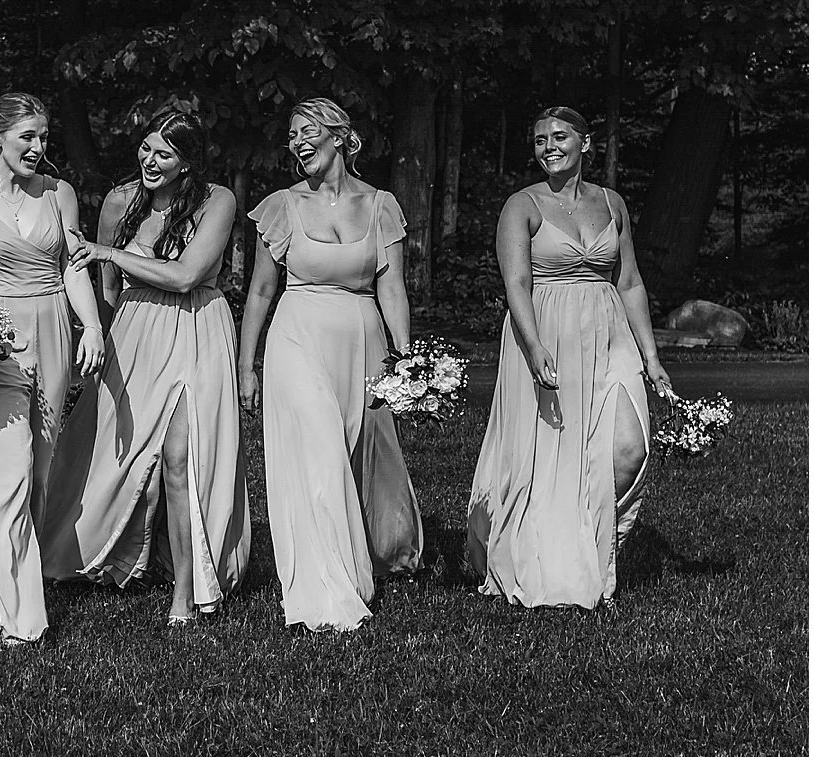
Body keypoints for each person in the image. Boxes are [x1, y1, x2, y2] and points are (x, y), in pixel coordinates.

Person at [40, 107, 249, 627]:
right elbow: (109, 293)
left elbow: (186, 275)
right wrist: (111, 335)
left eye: (165, 153)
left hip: (197, 327)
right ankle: (118, 555)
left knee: (182, 459)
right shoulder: (119, 201)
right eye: (147, 148)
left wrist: (108, 252)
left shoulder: (215, 201)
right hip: (135, 333)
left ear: (187, 160)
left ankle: (185, 589)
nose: (151, 161)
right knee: (125, 457)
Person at [464, 107, 675, 608]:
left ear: (585, 143)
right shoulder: (522, 205)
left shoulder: (612, 203)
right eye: (539, 140)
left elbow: (629, 281)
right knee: (549, 454)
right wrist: (534, 345)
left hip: (610, 333)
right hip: (545, 330)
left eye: (559, 137)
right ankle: (553, 552)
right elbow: (516, 282)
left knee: (630, 446)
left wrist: (652, 356)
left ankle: (602, 539)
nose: (548, 147)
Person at [238, 97, 424, 633]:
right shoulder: (280, 206)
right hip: (297, 336)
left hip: (362, 343)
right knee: (317, 448)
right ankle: (323, 585)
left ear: (340, 136)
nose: (297, 142)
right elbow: (259, 293)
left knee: (346, 453)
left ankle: (359, 560)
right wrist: (246, 365)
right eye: (291, 135)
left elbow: (392, 287)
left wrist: (406, 359)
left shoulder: (382, 205)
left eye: (307, 131)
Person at [0, 93, 105, 646]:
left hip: (55, 329)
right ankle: (22, 617)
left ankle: (1, 578)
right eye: (26, 137)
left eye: (43, 137)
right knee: (8, 471)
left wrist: (93, 326)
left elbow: (74, 267)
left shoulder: (59, 194)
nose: (38, 148)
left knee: (41, 469)